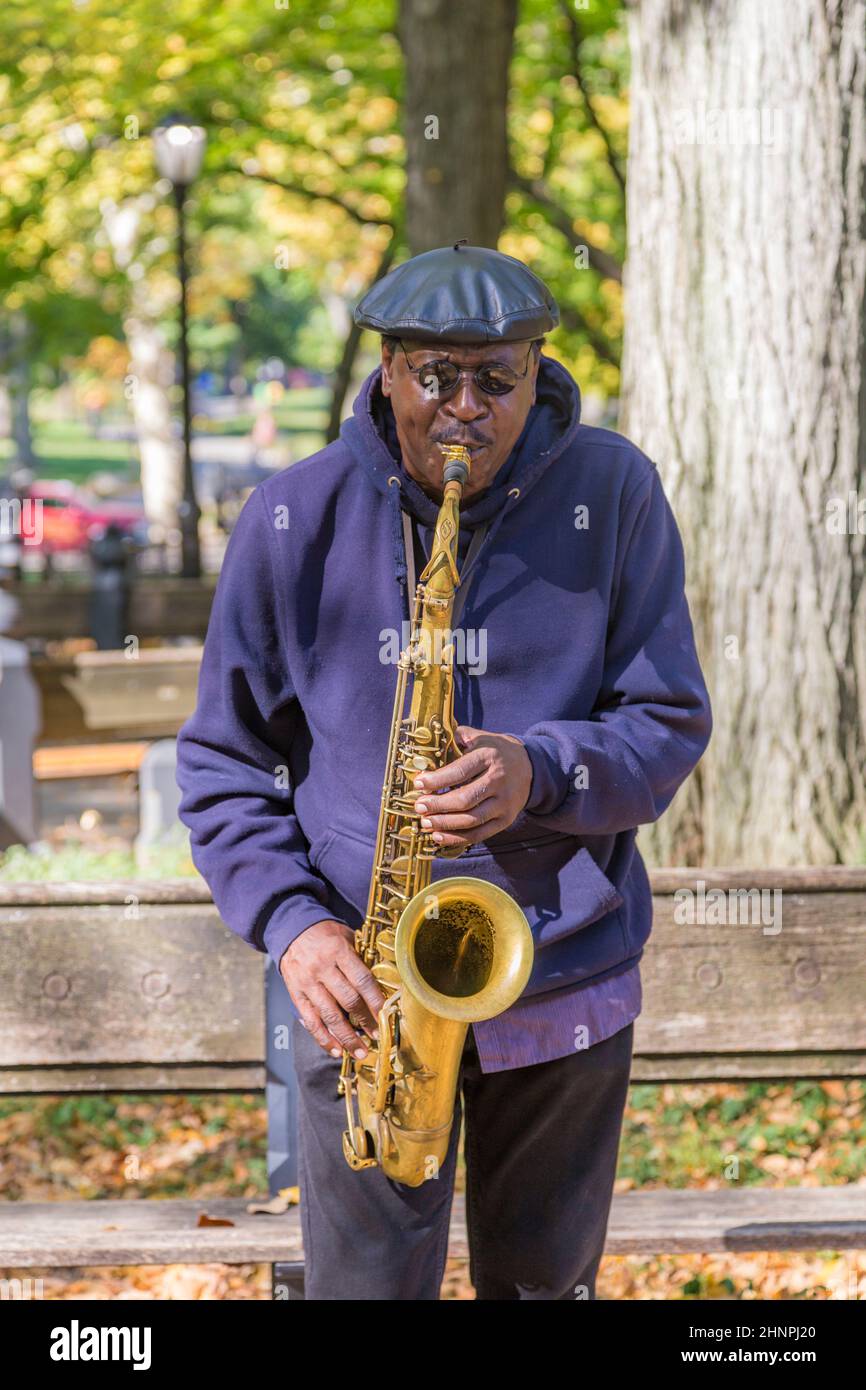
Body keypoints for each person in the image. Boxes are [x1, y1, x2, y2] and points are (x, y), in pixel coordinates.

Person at [176, 242, 712, 1301]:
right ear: (385, 372)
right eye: (432, 375)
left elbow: (665, 719)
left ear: (536, 371)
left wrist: (543, 769)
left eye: (494, 379)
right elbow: (222, 759)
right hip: (363, 990)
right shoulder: (292, 516)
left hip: (560, 972)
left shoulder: (613, 492)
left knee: (543, 1292)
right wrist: (292, 923)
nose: (462, 408)